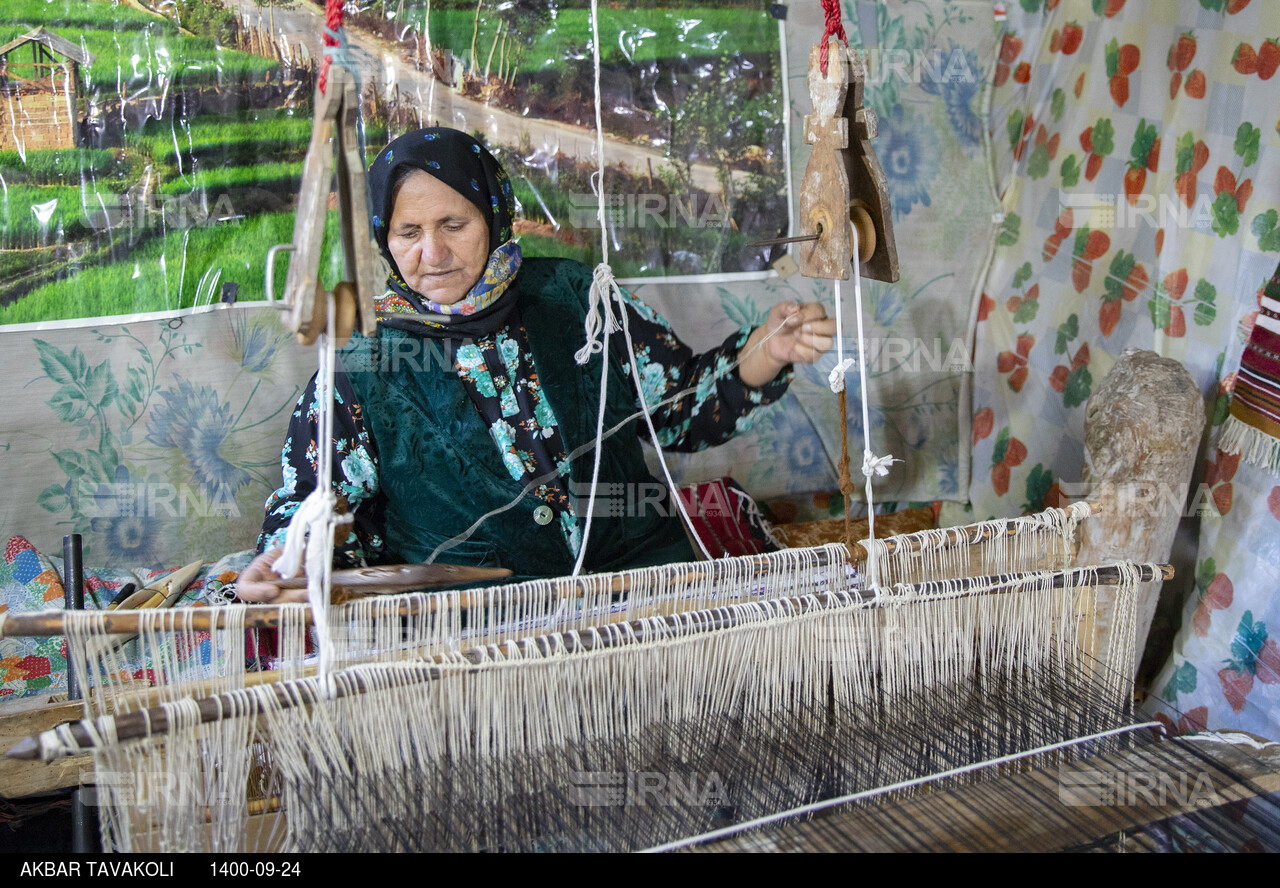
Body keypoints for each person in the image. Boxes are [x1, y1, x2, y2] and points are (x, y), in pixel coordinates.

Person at [237, 128, 837, 602]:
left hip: (644, 586)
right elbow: (316, 503)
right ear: (383, 238)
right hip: (480, 629)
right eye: (408, 232)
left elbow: (677, 408)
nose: (433, 253)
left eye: (454, 223)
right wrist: (289, 559)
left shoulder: (578, 297)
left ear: (494, 214)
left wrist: (767, 348)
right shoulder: (360, 364)